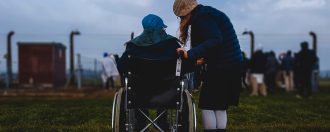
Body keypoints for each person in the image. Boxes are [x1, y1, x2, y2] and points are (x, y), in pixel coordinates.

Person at [173, 0, 243, 131]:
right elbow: (215, 44)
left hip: (222, 66)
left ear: (186, 13)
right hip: (231, 64)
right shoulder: (209, 13)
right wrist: (202, 59)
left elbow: (215, 39)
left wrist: (190, 53)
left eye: (181, 17)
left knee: (207, 105)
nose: (181, 20)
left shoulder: (202, 18)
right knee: (219, 105)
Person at [118, 14, 182, 131]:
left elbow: (122, 67)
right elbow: (184, 66)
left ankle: (141, 122)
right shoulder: (172, 44)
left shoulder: (132, 46)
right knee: (167, 83)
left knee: (136, 86)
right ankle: (162, 121)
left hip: (139, 92)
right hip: (167, 93)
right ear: (161, 28)